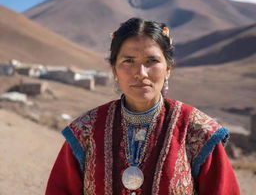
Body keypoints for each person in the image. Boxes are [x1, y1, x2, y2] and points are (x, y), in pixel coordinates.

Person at [45, 18, 240, 194]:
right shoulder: (85, 131)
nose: (141, 73)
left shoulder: (197, 131)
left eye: (152, 61)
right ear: (114, 69)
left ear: (168, 69)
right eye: (128, 61)